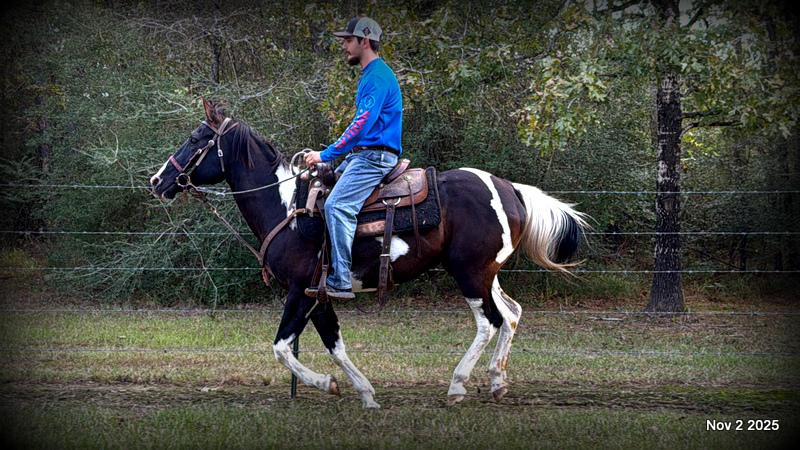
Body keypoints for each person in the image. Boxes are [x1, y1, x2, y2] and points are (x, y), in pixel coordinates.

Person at [304, 16, 403, 300]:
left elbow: (361, 126)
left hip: (374, 158)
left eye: (348, 40)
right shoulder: (371, 75)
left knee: (337, 206)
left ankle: (341, 280)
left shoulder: (377, 77)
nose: (344, 46)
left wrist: (325, 154)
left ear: (365, 40)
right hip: (364, 155)